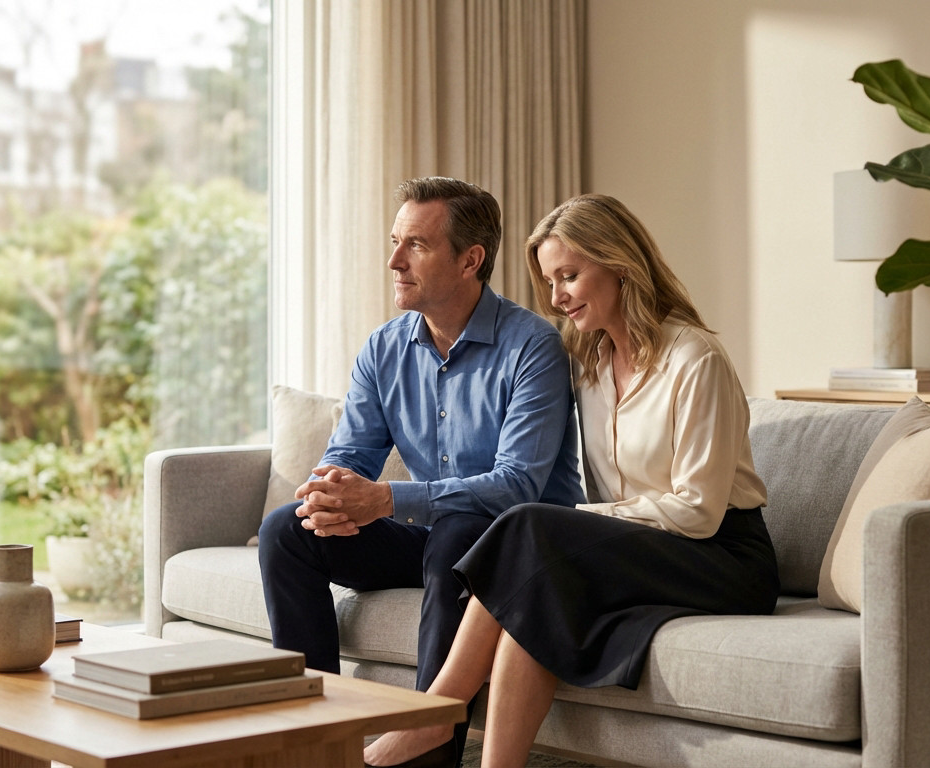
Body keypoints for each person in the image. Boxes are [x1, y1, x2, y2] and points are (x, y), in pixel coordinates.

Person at [363, 194, 779, 768]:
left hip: (722, 557)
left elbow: (699, 513)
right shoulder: (590, 365)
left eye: (569, 276)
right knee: (528, 606)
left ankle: (435, 715)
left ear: (621, 266)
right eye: (549, 281)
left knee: (528, 524)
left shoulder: (695, 359)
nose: (556, 298)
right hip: (642, 548)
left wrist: (579, 522)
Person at [257, 177, 585, 763]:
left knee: (459, 529)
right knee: (289, 530)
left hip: (509, 549)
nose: (394, 261)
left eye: (416, 245)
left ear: (470, 260)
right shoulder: (384, 348)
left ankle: (426, 746)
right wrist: (325, 493)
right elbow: (349, 454)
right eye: (394, 242)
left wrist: (384, 500)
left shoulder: (532, 347)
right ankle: (316, 744)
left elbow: (516, 487)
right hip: (427, 539)